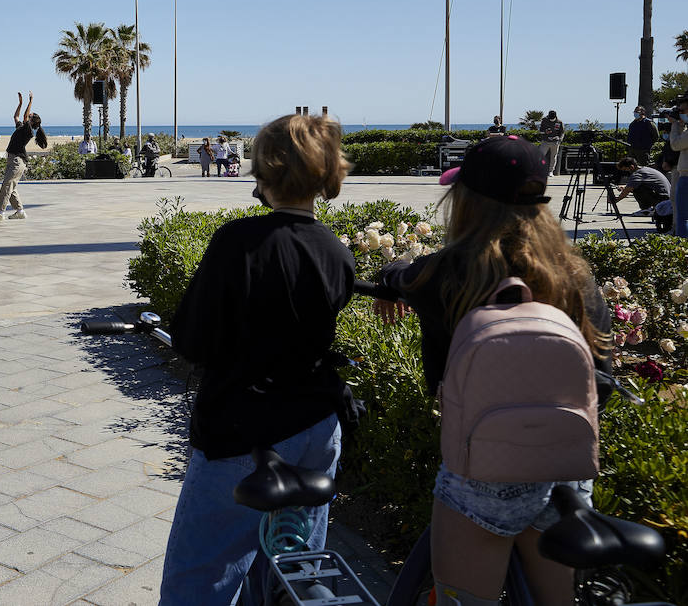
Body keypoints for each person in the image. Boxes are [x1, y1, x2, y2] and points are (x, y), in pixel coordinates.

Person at [378, 136, 612, 606]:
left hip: (478, 473)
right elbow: (601, 377)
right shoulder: (576, 278)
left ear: (464, 198)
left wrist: (389, 279)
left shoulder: (447, 272)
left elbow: (399, 276)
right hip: (563, 473)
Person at [160, 113, 355, 605]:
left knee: (201, 573)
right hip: (317, 424)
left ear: (263, 172)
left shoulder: (239, 241)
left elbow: (193, 340)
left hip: (244, 430)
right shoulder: (335, 250)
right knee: (293, 573)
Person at [0, 91, 46, 220]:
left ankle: (0, 213)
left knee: (7, 185)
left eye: (31, 115)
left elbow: (24, 116)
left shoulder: (28, 131)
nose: (29, 114)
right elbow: (16, 116)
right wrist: (20, 103)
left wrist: (30, 101)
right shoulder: (22, 127)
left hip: (17, 161)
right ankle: (20, 211)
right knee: (11, 187)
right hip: (14, 160)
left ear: (31, 120)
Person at [670, 93, 688, 237]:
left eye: (682, 111)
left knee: (683, 216)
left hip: (686, 177)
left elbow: (676, 144)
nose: (680, 114)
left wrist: (675, 125)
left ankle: (682, 249)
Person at [538, 110, 564, 175]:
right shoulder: (544, 120)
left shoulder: (559, 122)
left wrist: (559, 138)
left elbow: (562, 132)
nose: (551, 120)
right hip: (545, 142)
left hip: (555, 142)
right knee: (540, 155)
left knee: (553, 157)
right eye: (550, 119)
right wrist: (545, 132)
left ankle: (551, 171)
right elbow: (540, 131)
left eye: (552, 119)